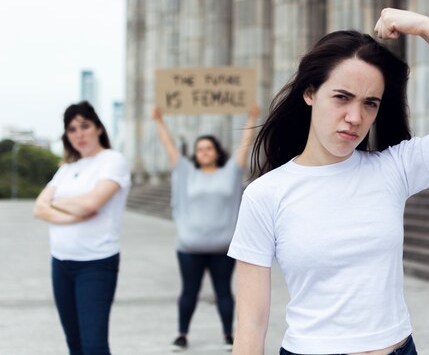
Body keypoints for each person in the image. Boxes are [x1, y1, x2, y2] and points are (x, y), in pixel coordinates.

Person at [227, 7, 429, 355]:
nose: (355, 117)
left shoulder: (393, 168)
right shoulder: (265, 194)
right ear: (310, 93)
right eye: (342, 97)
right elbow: (251, 326)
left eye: (370, 103)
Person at [152, 105, 260, 351]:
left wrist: (252, 117)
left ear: (216, 152)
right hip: (190, 246)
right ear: (195, 154)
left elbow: (244, 146)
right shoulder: (185, 172)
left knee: (224, 291)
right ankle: (182, 334)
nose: (204, 152)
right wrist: (159, 121)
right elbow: (169, 147)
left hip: (222, 246)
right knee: (189, 291)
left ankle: (227, 334)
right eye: (200, 149)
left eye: (208, 147)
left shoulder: (230, 172)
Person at [33, 101, 131, 355]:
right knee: (74, 344)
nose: (79, 134)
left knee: (94, 346)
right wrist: (71, 214)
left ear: (98, 128)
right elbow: (39, 208)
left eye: (84, 126)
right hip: (61, 263)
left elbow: (92, 203)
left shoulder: (112, 161)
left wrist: (57, 204)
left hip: (96, 263)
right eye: (72, 129)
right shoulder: (67, 168)